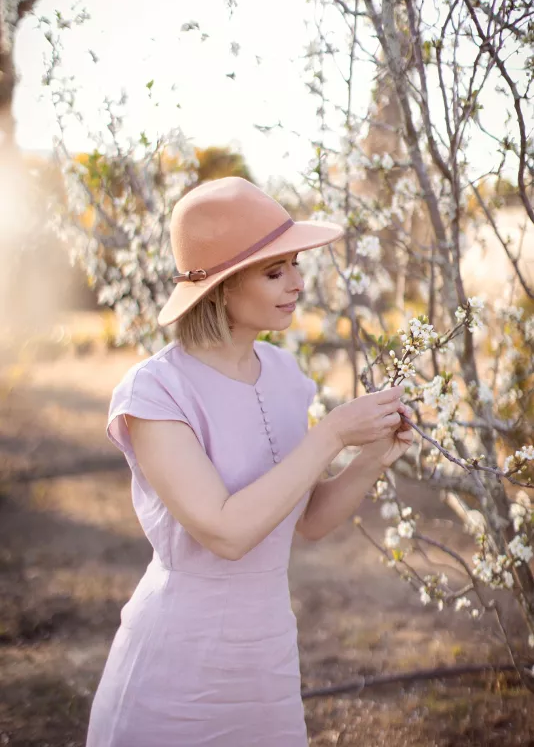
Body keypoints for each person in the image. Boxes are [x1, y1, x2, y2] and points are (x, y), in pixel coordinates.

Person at [85, 176, 413, 747]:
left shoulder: (287, 377)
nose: (298, 283)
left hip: (267, 662)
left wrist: (371, 458)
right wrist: (334, 432)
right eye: (275, 270)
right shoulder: (155, 392)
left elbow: (305, 520)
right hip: (176, 669)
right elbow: (228, 533)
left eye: (294, 264)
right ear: (220, 286)